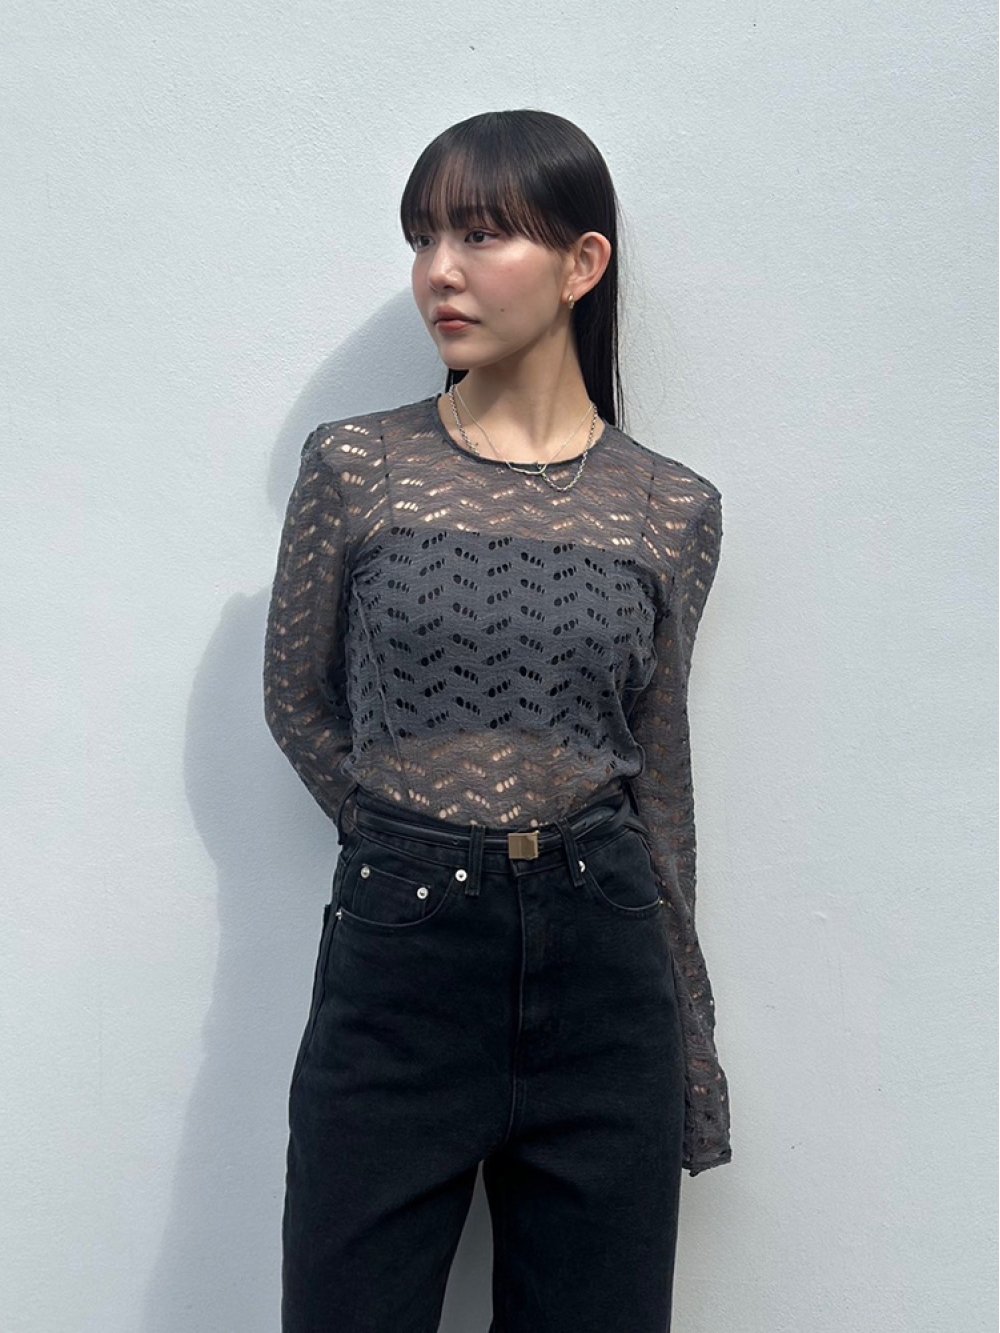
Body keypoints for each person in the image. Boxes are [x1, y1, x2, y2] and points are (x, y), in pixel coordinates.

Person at [263, 108, 732, 1333]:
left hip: (606, 963)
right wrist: (404, 840)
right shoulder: (356, 465)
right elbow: (296, 700)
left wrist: (690, 1038)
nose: (439, 271)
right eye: (423, 237)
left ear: (582, 263)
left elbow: (659, 781)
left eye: (479, 234)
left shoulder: (669, 506)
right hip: (401, 966)